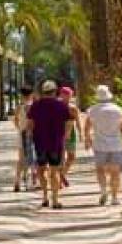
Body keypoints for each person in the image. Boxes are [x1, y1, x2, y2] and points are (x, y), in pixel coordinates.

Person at [26, 80, 74, 209]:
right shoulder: (61, 105)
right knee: (55, 171)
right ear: (54, 91)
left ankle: (45, 197)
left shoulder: (36, 105)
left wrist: (30, 135)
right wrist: (66, 136)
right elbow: (69, 122)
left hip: (40, 142)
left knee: (41, 170)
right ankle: (55, 200)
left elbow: (30, 124)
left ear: (43, 92)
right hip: (55, 143)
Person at [84, 84, 122, 206]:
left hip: (99, 145)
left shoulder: (92, 111)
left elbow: (87, 127)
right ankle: (114, 197)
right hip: (116, 145)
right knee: (115, 172)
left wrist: (87, 140)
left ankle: (104, 191)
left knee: (100, 170)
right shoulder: (118, 110)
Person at [12, 85, 36, 192]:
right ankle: (29, 182)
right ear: (31, 94)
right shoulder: (33, 106)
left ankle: (17, 181)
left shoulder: (19, 107)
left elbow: (15, 120)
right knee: (32, 158)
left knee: (21, 159)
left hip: (21, 133)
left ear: (21, 95)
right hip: (32, 134)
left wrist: (20, 128)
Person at [59, 86, 83, 187]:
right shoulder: (57, 106)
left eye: (70, 95)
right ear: (61, 95)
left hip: (71, 134)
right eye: (66, 95)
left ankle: (62, 174)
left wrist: (81, 133)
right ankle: (59, 180)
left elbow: (78, 121)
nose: (68, 97)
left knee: (72, 157)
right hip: (59, 134)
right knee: (61, 158)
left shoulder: (73, 108)